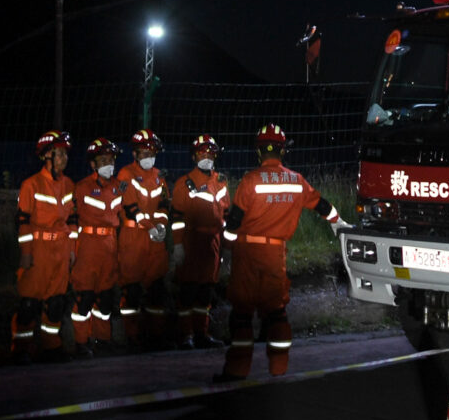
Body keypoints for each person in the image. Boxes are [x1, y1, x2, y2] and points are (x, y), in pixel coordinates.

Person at [214, 123, 342, 381]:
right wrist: (338, 222)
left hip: (247, 253)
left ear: (259, 152)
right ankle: (279, 369)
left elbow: (234, 223)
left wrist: (225, 250)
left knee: (242, 313)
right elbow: (322, 205)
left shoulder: (250, 181)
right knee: (276, 311)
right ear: (282, 151)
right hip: (275, 255)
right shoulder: (297, 181)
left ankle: (237, 370)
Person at [13, 130, 77, 362]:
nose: (64, 158)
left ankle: (52, 347)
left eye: (65, 154)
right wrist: (26, 254)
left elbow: (71, 221)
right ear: (45, 157)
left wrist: (71, 250)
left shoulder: (69, 185)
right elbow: (23, 221)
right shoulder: (31, 185)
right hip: (38, 250)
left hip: (60, 250)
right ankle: (21, 349)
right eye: (58, 154)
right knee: (29, 303)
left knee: (56, 303)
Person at [67, 137, 127, 356]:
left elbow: (126, 215)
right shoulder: (82, 187)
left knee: (105, 298)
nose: (108, 164)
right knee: (85, 297)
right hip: (88, 247)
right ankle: (81, 342)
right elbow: (71, 219)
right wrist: (71, 250)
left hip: (110, 246)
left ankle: (103, 339)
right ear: (93, 164)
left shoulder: (119, 187)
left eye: (111, 159)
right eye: (103, 160)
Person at [169, 133, 229, 349]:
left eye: (211, 153)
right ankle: (186, 335)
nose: (207, 156)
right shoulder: (184, 183)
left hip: (212, 243)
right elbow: (176, 218)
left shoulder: (220, 181)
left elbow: (226, 213)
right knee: (188, 290)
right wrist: (177, 246)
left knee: (206, 291)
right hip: (191, 241)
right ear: (194, 156)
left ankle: (202, 333)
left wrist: (226, 246)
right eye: (202, 153)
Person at [118, 128, 174, 349]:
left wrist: (161, 224)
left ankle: (156, 335)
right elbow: (130, 207)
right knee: (131, 290)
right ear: (134, 154)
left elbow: (163, 204)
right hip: (133, 238)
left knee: (157, 289)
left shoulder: (159, 176)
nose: (148, 156)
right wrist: (151, 226)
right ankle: (132, 337)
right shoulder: (125, 175)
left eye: (152, 151)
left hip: (155, 240)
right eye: (143, 152)